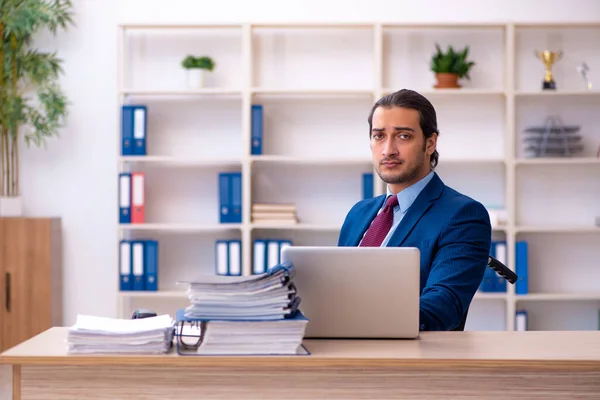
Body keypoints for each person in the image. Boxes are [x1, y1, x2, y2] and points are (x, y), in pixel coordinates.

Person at [337, 89, 492, 331]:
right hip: (342, 354)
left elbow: (443, 306)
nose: (388, 149)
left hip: (412, 361)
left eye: (403, 136)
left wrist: (359, 315)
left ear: (430, 143)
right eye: (379, 136)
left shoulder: (464, 215)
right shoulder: (358, 214)